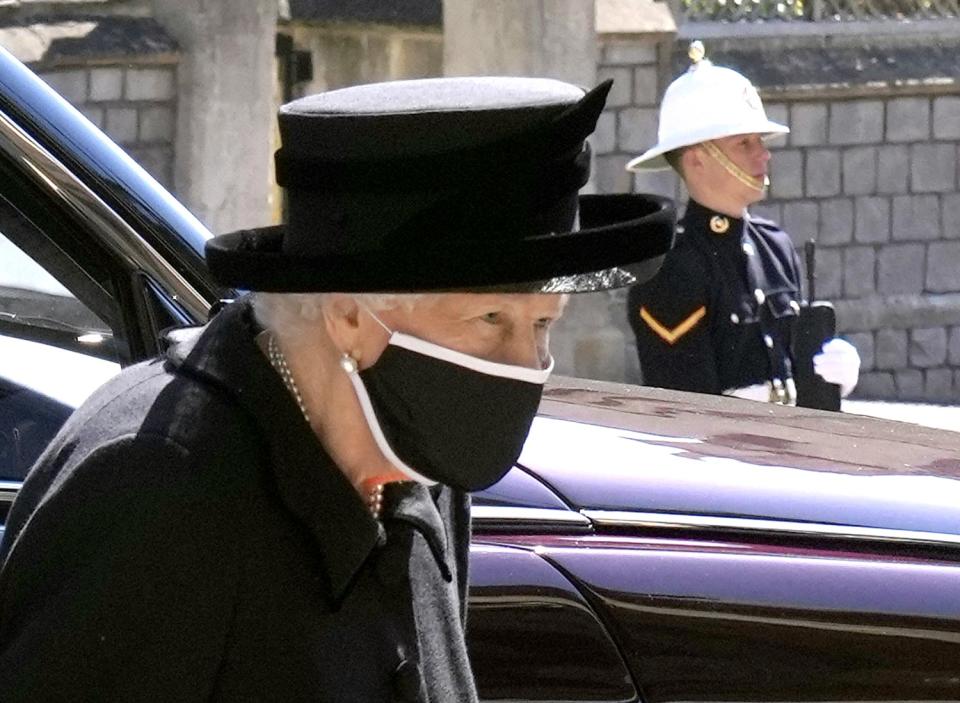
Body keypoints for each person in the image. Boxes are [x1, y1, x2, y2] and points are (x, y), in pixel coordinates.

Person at [0, 76, 674, 701]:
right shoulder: (160, 488)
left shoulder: (417, 464)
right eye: (492, 319)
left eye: (544, 325)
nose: (524, 363)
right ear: (350, 313)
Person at [624, 42, 860, 405]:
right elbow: (685, 404)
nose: (763, 153)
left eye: (759, 140)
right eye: (744, 143)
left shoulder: (775, 246)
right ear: (697, 159)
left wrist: (826, 376)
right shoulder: (672, 267)